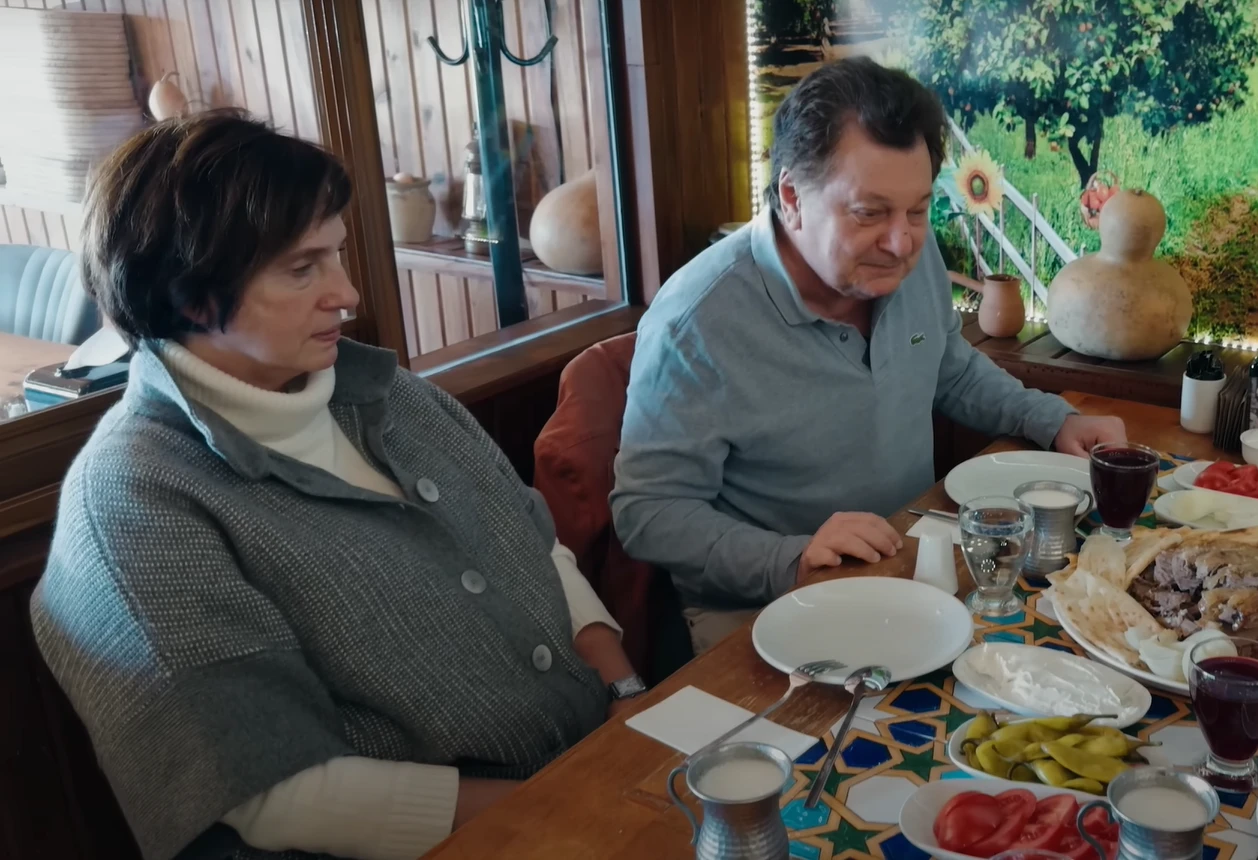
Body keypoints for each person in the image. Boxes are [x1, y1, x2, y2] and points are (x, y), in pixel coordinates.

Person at [31, 110, 645, 860]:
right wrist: (570, 806)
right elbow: (272, 793)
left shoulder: (393, 397)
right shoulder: (137, 502)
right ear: (193, 296)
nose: (346, 293)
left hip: (595, 772)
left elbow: (534, 546)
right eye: (303, 268)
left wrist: (626, 695)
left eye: (339, 256)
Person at [611, 58, 1126, 654]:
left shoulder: (910, 253)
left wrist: (1052, 418)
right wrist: (790, 556)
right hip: (772, 605)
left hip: (915, 556)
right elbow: (647, 512)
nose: (902, 241)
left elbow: (947, 367)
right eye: (869, 212)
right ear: (791, 197)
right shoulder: (694, 325)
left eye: (917, 208)